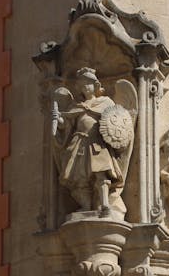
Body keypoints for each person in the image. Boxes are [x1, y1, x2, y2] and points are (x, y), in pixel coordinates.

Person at [52, 67, 128, 214]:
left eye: (88, 83)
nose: (85, 87)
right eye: (82, 84)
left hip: (97, 142)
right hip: (79, 143)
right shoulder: (76, 106)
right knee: (79, 178)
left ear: (96, 85)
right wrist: (58, 119)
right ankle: (86, 207)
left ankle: (105, 204)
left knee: (101, 173)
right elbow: (67, 126)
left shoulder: (105, 102)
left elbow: (115, 120)